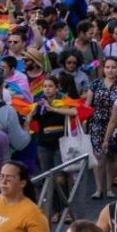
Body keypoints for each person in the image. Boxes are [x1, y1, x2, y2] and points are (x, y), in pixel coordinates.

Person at [26, 75, 77, 222]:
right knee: (48, 179)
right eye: (45, 86)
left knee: (60, 178)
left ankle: (66, 210)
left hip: (61, 143)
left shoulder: (62, 99)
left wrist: (53, 109)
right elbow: (28, 123)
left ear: (56, 88)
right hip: (43, 144)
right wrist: (30, 114)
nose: (47, 89)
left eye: (50, 86)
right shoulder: (39, 102)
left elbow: (74, 112)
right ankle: (54, 210)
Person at [86, 57, 117, 198]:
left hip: (115, 124)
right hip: (96, 123)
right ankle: (98, 189)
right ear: (103, 69)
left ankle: (109, 189)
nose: (110, 70)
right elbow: (87, 106)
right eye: (107, 67)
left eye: (113, 67)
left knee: (111, 157)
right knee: (98, 156)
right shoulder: (95, 84)